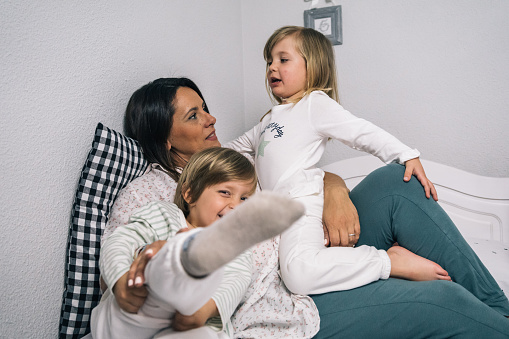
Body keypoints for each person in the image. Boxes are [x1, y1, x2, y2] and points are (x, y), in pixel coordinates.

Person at [106, 76, 509, 338]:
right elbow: (131, 264)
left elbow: (293, 173)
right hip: (285, 304)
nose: (212, 119)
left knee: (392, 183)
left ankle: (499, 313)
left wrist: (333, 188)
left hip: (311, 246)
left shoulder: (231, 161)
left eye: (206, 107)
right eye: (194, 116)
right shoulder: (148, 195)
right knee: (441, 300)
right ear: (166, 138)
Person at [226, 25, 450, 295]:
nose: (272, 67)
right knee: (292, 273)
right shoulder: (268, 119)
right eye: (269, 61)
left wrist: (405, 154)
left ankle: (388, 261)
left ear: (313, 67)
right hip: (278, 215)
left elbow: (360, 131)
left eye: (283, 60)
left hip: (300, 202)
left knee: (298, 276)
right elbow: (234, 149)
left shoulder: (313, 104)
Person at [90, 147, 305, 339]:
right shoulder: (163, 214)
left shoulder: (235, 248)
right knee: (147, 294)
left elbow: (235, 282)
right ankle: (176, 259)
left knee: (205, 333)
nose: (235, 206)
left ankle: (185, 263)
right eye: (225, 193)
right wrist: (119, 281)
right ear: (190, 193)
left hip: (194, 319)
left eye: (244, 199)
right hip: (136, 307)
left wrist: (203, 311)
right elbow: (119, 242)